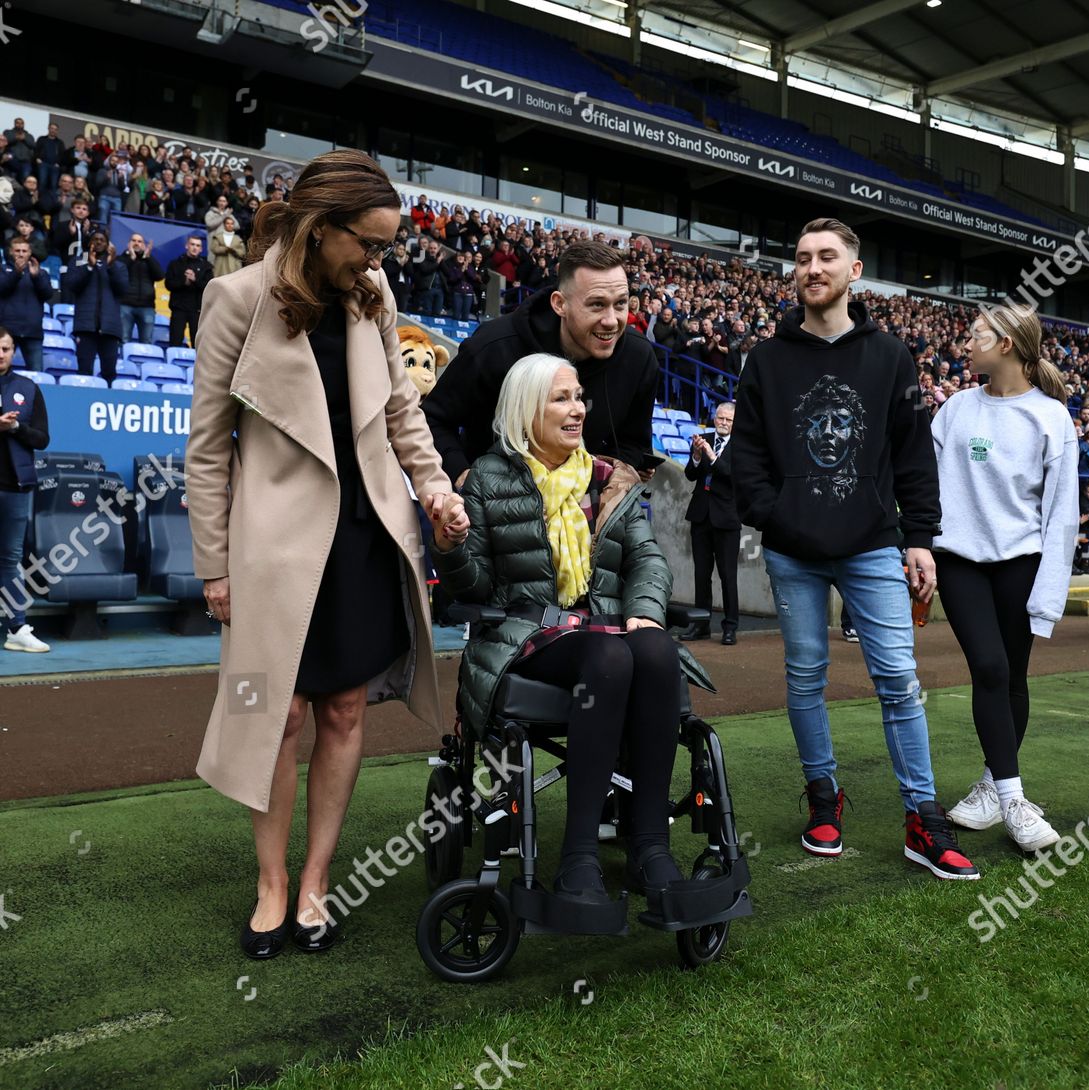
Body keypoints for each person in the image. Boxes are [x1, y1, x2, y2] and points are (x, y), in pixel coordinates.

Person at [185, 150, 468, 960]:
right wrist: (215, 568)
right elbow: (207, 449)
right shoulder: (234, 298)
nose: (377, 262)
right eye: (369, 245)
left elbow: (402, 413)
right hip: (271, 549)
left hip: (364, 537)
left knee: (343, 710)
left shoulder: (372, 296)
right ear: (320, 227)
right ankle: (271, 886)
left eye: (384, 249)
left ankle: (315, 882)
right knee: (274, 716)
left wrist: (436, 489)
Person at [733, 217, 978, 880]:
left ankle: (922, 820)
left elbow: (912, 456)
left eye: (827, 257)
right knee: (806, 677)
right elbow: (746, 456)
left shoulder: (891, 356)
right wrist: (775, 513)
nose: (812, 267)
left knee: (898, 681)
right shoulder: (767, 358)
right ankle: (822, 797)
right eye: (803, 257)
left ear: (854, 271)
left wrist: (920, 536)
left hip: (873, 543)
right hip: (792, 548)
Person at [434, 352, 702, 905]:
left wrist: (646, 608)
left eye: (579, 396)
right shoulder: (487, 478)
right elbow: (474, 588)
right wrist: (451, 546)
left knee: (653, 651)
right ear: (525, 410)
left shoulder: (609, 481)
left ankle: (651, 846)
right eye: (561, 398)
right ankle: (578, 857)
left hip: (607, 632)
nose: (577, 408)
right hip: (527, 637)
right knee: (611, 658)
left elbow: (647, 560)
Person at [934, 302, 1079, 852]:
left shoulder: (1051, 417)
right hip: (959, 560)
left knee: (1012, 675)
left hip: (1023, 563)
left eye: (976, 336)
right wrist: (919, 545)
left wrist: (1049, 594)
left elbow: (1062, 514)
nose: (966, 344)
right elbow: (926, 483)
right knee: (990, 666)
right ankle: (1015, 800)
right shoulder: (953, 409)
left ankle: (993, 785)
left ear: (1007, 346)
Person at [423, 240, 660, 483]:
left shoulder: (639, 356)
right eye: (597, 304)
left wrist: (603, 486)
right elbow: (432, 419)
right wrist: (462, 473)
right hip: (491, 508)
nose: (611, 320)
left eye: (620, 303)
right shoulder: (494, 346)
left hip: (584, 512)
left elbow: (633, 443)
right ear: (560, 304)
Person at [0, 325, 51, 653]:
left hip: (15, 489)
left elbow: (43, 439)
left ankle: (16, 628)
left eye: (4, 348)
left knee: (10, 559)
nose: (0, 354)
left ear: (13, 350)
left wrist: (15, 427)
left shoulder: (28, 388)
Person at [681, 401, 740, 645]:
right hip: (701, 516)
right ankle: (701, 625)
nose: (723, 423)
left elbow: (730, 475)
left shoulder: (742, 446)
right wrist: (696, 457)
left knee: (728, 575)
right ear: (714, 418)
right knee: (701, 574)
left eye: (728, 420)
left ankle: (730, 627)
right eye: (720, 418)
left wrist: (711, 456)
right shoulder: (702, 439)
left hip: (726, 518)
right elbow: (690, 475)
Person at [62, 232, 127, 383]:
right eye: (95, 240)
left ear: (107, 244)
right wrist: (89, 267)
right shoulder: (79, 261)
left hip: (110, 329)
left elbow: (123, 289)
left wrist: (111, 266)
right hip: (86, 327)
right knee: (84, 371)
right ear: (89, 243)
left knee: (109, 372)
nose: (98, 243)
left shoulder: (118, 265)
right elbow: (71, 285)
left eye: (102, 240)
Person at [0, 237, 53, 372]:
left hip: (32, 332)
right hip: (7, 331)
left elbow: (48, 294)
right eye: (17, 250)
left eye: (24, 251)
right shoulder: (3, 269)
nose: (21, 254)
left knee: (37, 375)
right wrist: (17, 274)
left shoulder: (41, 273)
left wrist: (36, 277)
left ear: (30, 253)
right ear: (11, 252)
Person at [165, 235, 213, 347]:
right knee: (175, 342)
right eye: (192, 244)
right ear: (187, 245)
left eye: (198, 245)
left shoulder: (207, 267)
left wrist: (195, 280)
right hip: (178, 309)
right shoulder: (175, 264)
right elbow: (168, 284)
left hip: (197, 311)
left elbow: (209, 287)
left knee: (197, 344)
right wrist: (184, 281)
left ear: (201, 249)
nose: (195, 248)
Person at [117, 232, 164, 346]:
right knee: (123, 339)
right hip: (125, 305)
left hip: (147, 307)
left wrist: (148, 258)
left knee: (146, 342)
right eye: (134, 240)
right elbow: (117, 273)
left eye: (140, 241)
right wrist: (131, 258)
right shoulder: (121, 258)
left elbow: (160, 275)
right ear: (128, 244)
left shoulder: (149, 260)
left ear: (144, 245)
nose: (136, 243)